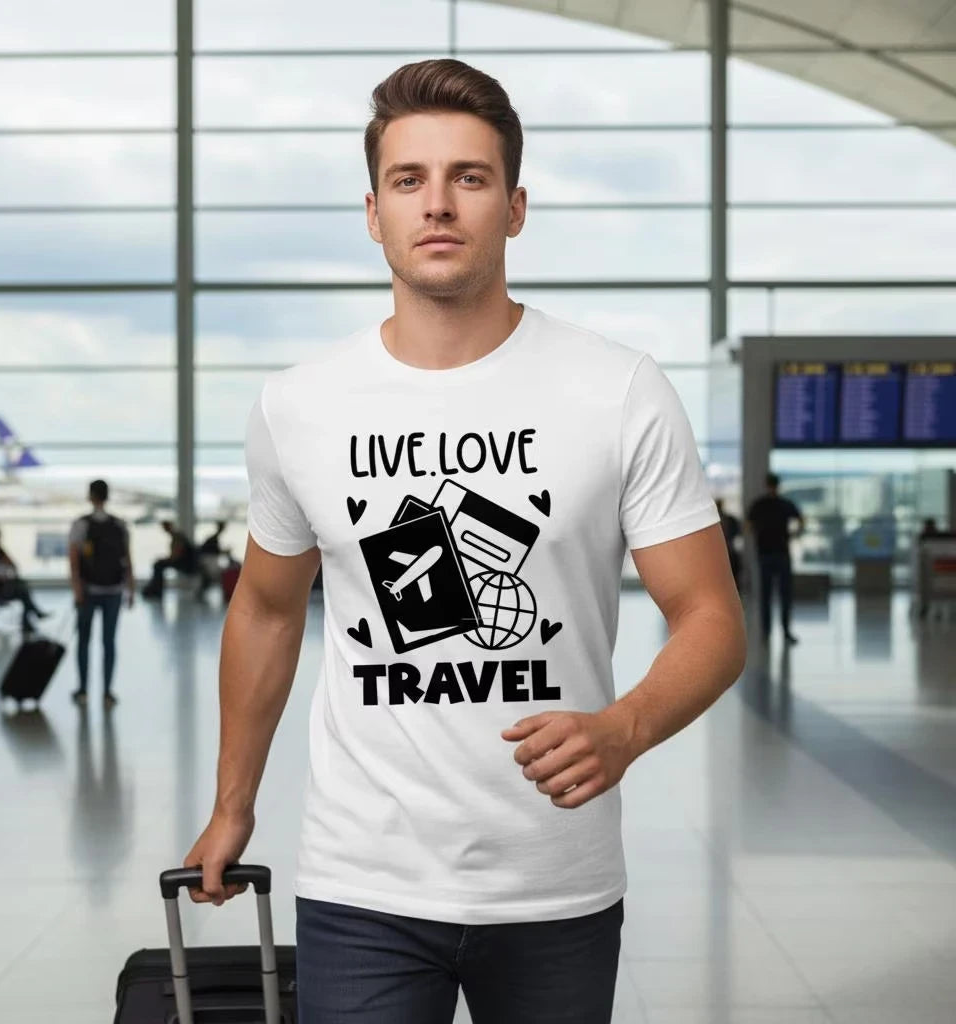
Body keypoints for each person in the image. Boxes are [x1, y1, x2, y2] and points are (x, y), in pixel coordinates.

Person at [183, 59, 746, 1024]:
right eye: (410, 180)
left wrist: (626, 729)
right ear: (373, 212)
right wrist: (234, 801)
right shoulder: (299, 404)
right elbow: (267, 610)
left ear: (515, 208)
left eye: (469, 178)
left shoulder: (616, 389)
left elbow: (710, 618)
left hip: (555, 879)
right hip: (361, 876)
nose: (437, 204)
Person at [68, 479, 134, 709]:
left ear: (90, 496)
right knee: (109, 642)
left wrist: (77, 588)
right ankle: (107, 692)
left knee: (84, 641)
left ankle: (83, 690)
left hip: (88, 591)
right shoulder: (119, 525)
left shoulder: (81, 525)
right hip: (114, 590)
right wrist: (131, 588)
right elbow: (127, 558)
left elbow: (74, 560)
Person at [746, 472, 804, 646]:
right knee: (784, 594)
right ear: (778, 486)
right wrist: (793, 535)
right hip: (781, 553)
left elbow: (748, 525)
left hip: (766, 553)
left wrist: (759, 534)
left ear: (766, 484)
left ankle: (767, 632)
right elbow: (801, 520)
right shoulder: (784, 504)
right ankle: (785, 632)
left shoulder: (759, 505)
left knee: (766, 595)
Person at [0, 526, 46, 634]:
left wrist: (5, 559)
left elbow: (13, 566)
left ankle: (30, 619)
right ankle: (31, 618)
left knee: (22, 586)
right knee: (22, 590)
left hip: (2, 586)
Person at [142, 520, 197, 599]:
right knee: (159, 564)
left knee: (158, 565)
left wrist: (165, 559)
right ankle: (156, 588)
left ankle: (156, 590)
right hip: (184, 561)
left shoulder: (177, 536)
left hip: (186, 563)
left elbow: (176, 555)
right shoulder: (176, 536)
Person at [716, 497, 743, 590]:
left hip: (725, 552)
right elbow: (739, 532)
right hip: (729, 550)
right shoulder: (729, 519)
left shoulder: (718, 522)